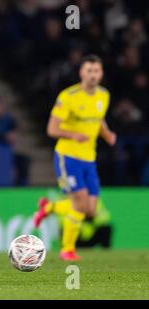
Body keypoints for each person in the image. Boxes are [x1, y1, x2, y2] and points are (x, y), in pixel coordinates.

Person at [33, 55, 116, 261]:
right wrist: (73, 135)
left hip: (89, 158)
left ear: (101, 73)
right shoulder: (68, 96)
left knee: (91, 210)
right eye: (89, 71)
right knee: (79, 204)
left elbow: (99, 119)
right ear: (81, 73)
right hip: (68, 156)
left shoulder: (103, 95)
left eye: (96, 71)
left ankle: (50, 207)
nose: (93, 75)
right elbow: (51, 129)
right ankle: (67, 249)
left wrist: (107, 134)